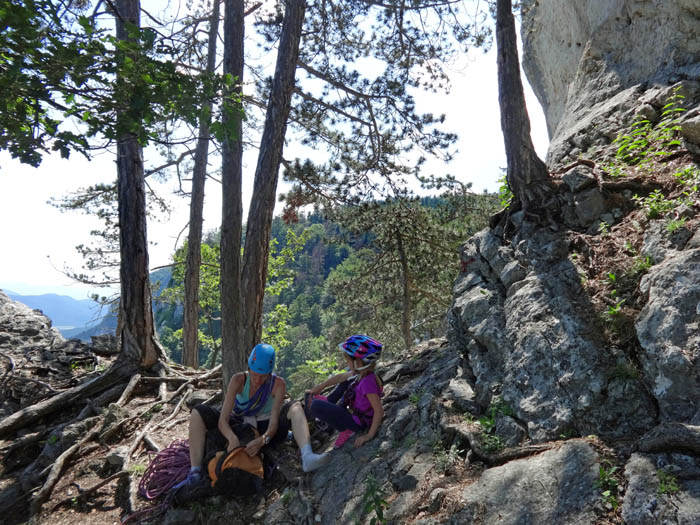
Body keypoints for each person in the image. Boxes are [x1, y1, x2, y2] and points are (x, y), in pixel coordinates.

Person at [175, 343, 330, 490]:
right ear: (249, 368)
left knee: (295, 407)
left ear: (270, 373)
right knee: (198, 412)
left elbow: (274, 422)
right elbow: (223, 420)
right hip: (241, 426)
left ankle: (307, 455)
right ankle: (195, 472)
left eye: (263, 376)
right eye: (255, 374)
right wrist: (232, 438)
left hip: (267, 428)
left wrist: (263, 440)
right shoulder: (238, 380)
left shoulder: (278, 384)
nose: (258, 380)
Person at [307, 335, 384, 449]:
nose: (347, 363)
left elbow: (379, 411)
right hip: (353, 412)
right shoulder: (362, 373)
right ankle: (329, 402)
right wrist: (321, 386)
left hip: (357, 422)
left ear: (358, 361)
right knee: (347, 378)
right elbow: (340, 377)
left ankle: (345, 429)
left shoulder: (367, 382)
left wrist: (368, 436)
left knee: (315, 406)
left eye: (348, 360)